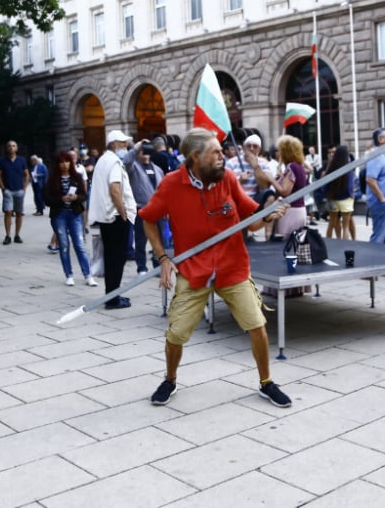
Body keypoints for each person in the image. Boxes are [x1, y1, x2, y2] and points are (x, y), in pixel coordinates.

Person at [139, 128, 292, 408]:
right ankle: (170, 379)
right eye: (216, 152)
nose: (224, 156)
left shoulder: (228, 179)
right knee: (176, 333)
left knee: (257, 325)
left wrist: (268, 215)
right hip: (193, 269)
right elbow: (148, 218)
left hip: (232, 267)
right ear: (196, 157)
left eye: (222, 151)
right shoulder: (172, 184)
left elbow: (251, 219)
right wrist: (163, 258)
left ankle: (266, 382)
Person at [88, 129, 137, 310]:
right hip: (115, 217)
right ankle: (113, 298)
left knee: (111, 257)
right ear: (114, 144)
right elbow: (115, 190)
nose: (125, 146)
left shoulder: (103, 160)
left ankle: (112, 294)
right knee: (117, 258)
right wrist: (124, 214)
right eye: (123, 143)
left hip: (106, 218)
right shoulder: (115, 162)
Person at [46, 150, 97, 287]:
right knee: (64, 245)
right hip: (59, 215)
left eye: (67, 161)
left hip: (74, 214)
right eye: (61, 162)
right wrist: (60, 199)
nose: (64, 165)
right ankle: (69, 275)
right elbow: (47, 199)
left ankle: (88, 275)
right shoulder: (52, 179)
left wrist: (76, 198)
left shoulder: (76, 177)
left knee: (79, 245)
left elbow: (84, 195)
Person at [123, 140, 164, 274]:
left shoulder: (157, 169)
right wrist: (136, 147)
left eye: (147, 151)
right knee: (141, 239)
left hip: (158, 209)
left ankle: (158, 265)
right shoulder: (133, 167)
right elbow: (126, 161)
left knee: (159, 239)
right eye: (143, 151)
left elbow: (164, 190)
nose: (145, 154)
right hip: (141, 208)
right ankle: (142, 267)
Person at [0, 140, 30, 245]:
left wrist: (24, 187)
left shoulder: (21, 160)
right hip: (8, 190)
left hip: (19, 190)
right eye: (9, 146)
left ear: (17, 148)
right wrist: (3, 188)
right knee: (8, 212)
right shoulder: (2, 161)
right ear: (6, 148)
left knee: (19, 213)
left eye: (14, 146)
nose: (11, 147)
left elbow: (26, 174)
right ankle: (7, 235)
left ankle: (17, 235)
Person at [324, 145, 356, 240]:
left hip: (333, 198)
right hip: (346, 199)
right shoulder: (348, 168)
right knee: (345, 226)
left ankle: (329, 243)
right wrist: (352, 195)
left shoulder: (331, 166)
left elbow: (326, 183)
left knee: (331, 224)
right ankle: (344, 245)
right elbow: (350, 185)